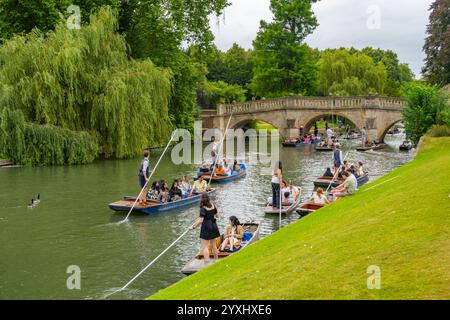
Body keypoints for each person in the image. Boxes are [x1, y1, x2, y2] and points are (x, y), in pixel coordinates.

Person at [190, 193, 220, 262]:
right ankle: (216, 261)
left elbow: (201, 221)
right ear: (208, 198)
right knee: (213, 245)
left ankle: (207, 264)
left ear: (202, 199)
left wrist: (193, 227)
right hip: (214, 225)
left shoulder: (203, 208)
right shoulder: (213, 205)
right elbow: (217, 216)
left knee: (205, 246)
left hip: (206, 227)